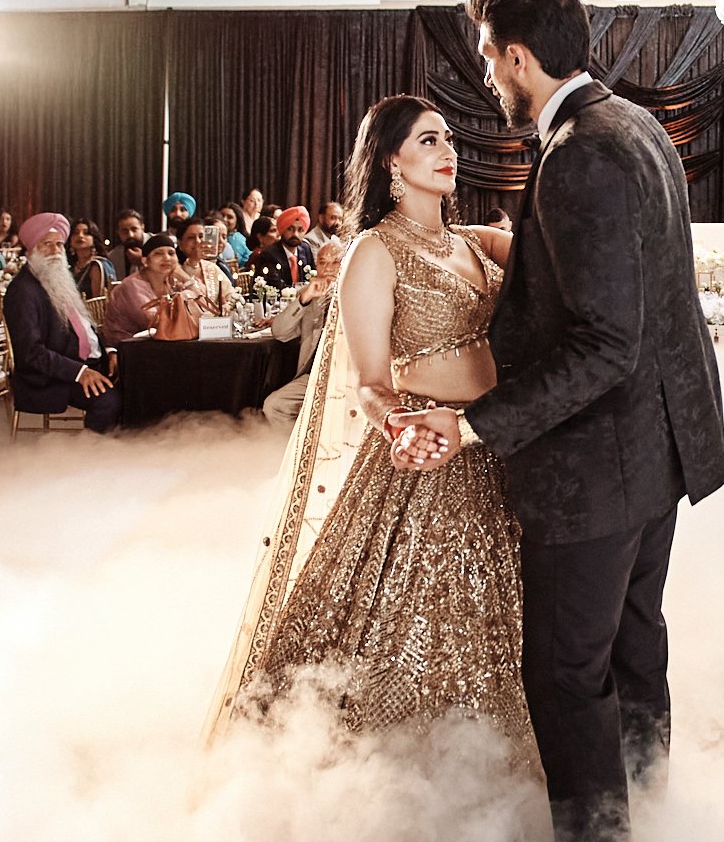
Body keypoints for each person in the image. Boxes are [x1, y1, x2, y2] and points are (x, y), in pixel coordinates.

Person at [393, 0, 724, 842]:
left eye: (489, 58)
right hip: (659, 452)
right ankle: (648, 837)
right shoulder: (637, 124)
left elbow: (605, 343)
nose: (487, 77)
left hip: (598, 469)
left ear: (518, 57)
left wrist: (473, 423)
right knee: (634, 650)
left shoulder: (580, 153)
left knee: (566, 678)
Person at [215, 94, 529, 756]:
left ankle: (496, 770)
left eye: (448, 139)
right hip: (424, 459)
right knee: (408, 635)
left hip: (494, 447)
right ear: (390, 160)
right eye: (427, 141)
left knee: (503, 628)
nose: (448, 152)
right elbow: (369, 382)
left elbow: (559, 249)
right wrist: (400, 427)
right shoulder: (375, 251)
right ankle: (395, 776)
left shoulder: (478, 243)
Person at [5, 212, 119, 433]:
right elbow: (30, 353)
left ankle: (129, 447)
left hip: (86, 363)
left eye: (59, 244)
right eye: (46, 244)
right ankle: (93, 450)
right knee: (109, 402)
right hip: (50, 377)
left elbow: (85, 328)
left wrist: (110, 351)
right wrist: (80, 372)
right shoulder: (23, 291)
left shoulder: (58, 279)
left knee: (138, 384)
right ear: (31, 249)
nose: (55, 251)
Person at [259, 238, 345, 428]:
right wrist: (304, 299)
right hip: (316, 375)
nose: (328, 268)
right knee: (274, 405)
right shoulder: (311, 295)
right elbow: (280, 332)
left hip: (349, 377)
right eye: (322, 262)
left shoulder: (356, 292)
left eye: (335, 262)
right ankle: (295, 446)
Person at [105, 233, 202, 342]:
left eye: (171, 253)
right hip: (127, 346)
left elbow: (202, 307)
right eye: (158, 254)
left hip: (161, 341)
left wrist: (185, 278)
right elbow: (155, 321)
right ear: (145, 261)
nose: (167, 258)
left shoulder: (171, 282)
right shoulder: (131, 286)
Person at [175, 218, 236, 315]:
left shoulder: (211, 267)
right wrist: (193, 260)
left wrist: (226, 307)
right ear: (180, 243)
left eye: (201, 236)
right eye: (191, 237)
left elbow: (231, 295)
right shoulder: (174, 270)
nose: (198, 241)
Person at [250, 207, 318, 291]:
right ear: (282, 230)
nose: (295, 234)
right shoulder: (269, 255)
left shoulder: (305, 248)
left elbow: (314, 276)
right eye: (290, 229)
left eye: (300, 230)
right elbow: (277, 286)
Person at [70, 221, 114, 299]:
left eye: (86, 233)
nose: (80, 236)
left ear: (94, 239)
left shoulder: (97, 265)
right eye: (76, 233)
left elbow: (98, 301)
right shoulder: (70, 267)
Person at [111, 209, 149, 279]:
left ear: (142, 228)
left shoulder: (158, 245)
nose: (130, 235)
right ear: (118, 232)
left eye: (134, 229)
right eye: (124, 231)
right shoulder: (113, 256)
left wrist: (143, 262)